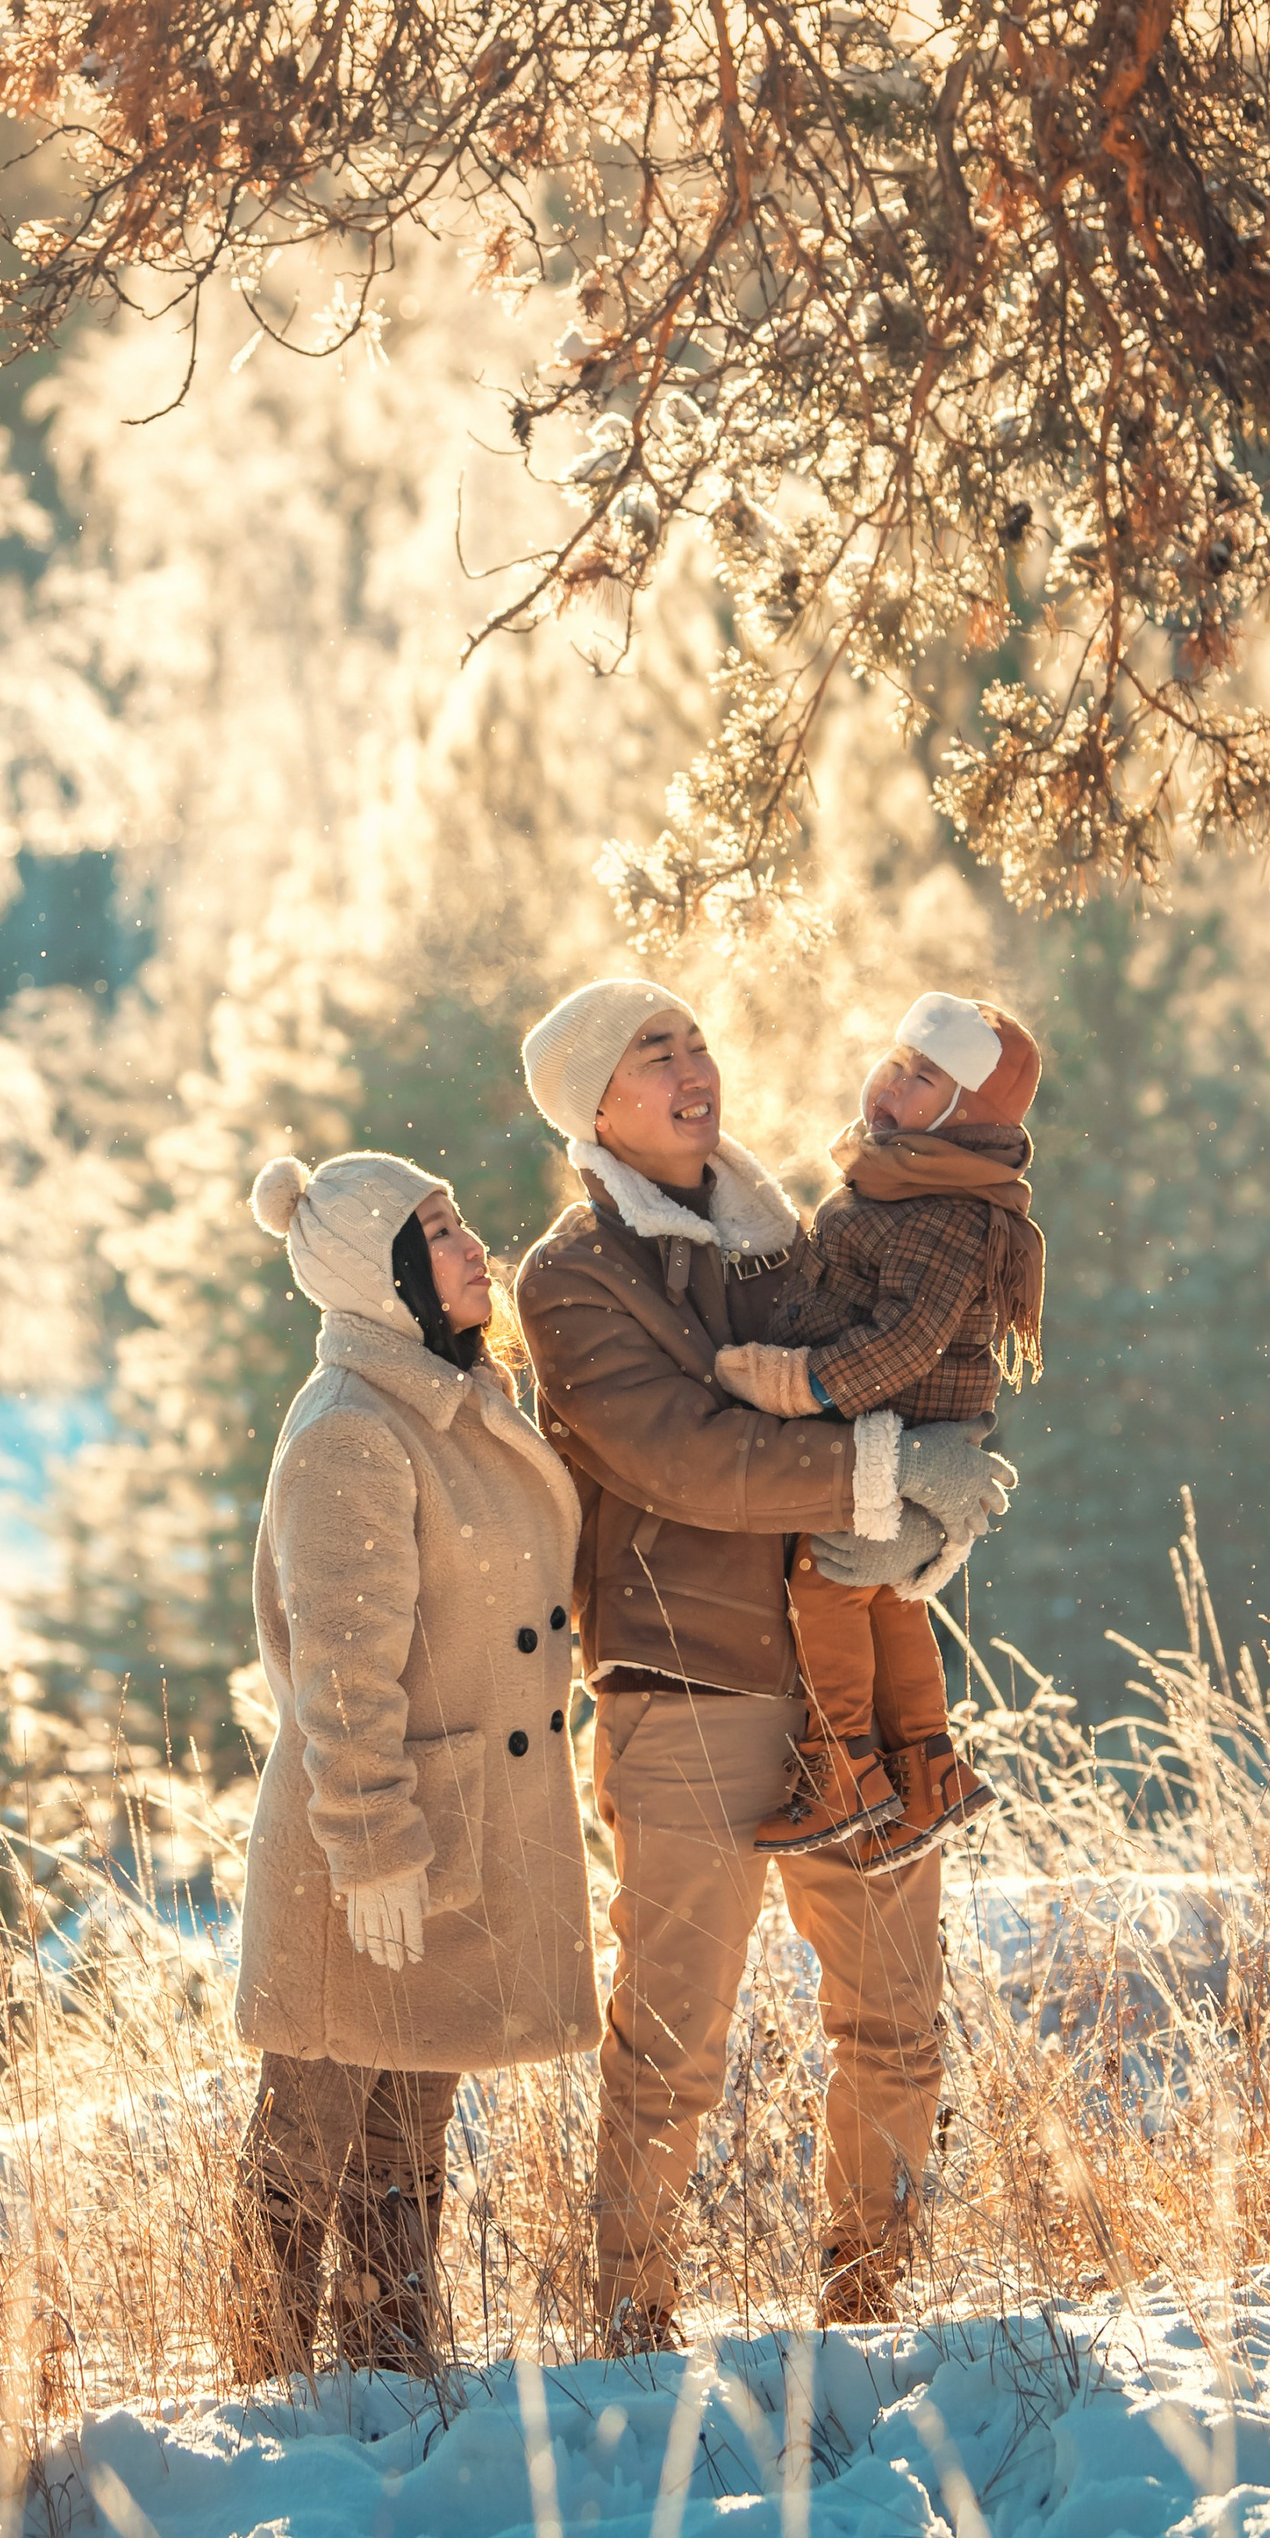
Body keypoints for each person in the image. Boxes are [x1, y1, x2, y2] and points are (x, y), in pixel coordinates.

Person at [513, 981, 1006, 2342]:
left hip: (850, 1671)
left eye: (697, 1043)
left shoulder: (789, 1242)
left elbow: (892, 1370)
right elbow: (687, 1459)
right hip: (689, 1690)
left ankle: (872, 2310)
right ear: (594, 1108)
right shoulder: (573, 1276)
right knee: (673, 2045)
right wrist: (891, 1472)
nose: (692, 1069)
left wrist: (929, 1518)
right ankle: (631, 2329)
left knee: (899, 2020)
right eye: (652, 1055)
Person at [226, 1146, 598, 2381]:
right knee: (307, 2143)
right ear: (381, 1274)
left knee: (408, 2141)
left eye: (458, 1218)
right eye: (438, 1231)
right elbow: (340, 1671)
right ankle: (263, 2400)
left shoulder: (453, 1395)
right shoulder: (352, 1431)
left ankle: (391, 2380)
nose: (471, 1243)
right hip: (366, 1846)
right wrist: (375, 1847)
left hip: (450, 1826)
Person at [713, 990, 1044, 1866]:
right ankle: (930, 1761)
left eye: (924, 1075)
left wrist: (804, 1382)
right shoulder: (909, 1184)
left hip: (888, 1418)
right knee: (890, 1599)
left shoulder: (939, 1209)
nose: (892, 1083)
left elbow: (907, 1338)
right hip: (897, 1420)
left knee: (829, 1582)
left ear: (965, 1114)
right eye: (895, 1061)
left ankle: (844, 1762)